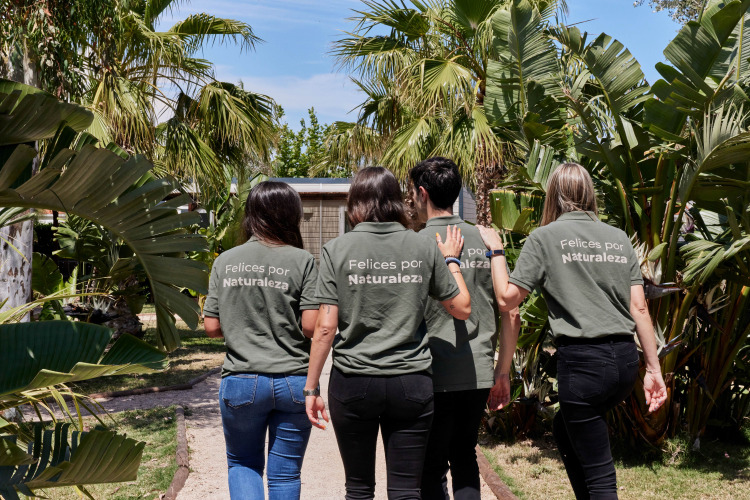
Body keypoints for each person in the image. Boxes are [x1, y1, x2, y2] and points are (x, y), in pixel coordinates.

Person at [476, 162, 668, 500]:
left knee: (600, 476)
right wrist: (653, 369)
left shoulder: (543, 238)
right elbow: (639, 308)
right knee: (566, 433)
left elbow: (507, 300)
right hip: (623, 364)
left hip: (583, 366)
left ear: (554, 196)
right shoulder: (617, 238)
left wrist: (496, 250)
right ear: (589, 194)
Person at [304, 166, 472, 500]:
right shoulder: (422, 246)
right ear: (395, 200)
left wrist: (311, 388)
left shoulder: (337, 250)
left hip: (353, 382)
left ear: (356, 202)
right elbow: (462, 308)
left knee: (359, 488)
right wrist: (451, 261)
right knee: (407, 490)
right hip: (411, 382)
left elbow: (324, 326)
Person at [408, 157, 521, 500]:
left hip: (430, 370)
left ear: (422, 193)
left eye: (412, 192)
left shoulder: (411, 244)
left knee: (430, 465)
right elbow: (510, 311)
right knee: (464, 456)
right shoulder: (487, 240)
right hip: (477, 370)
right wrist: (502, 371)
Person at [203, 181, 319, 500]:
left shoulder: (225, 261)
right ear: (290, 216)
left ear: (251, 215)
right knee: (285, 473)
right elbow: (310, 327)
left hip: (241, 380)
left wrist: (241, 326)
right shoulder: (303, 262)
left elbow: (211, 327)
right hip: (294, 381)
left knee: (243, 464)